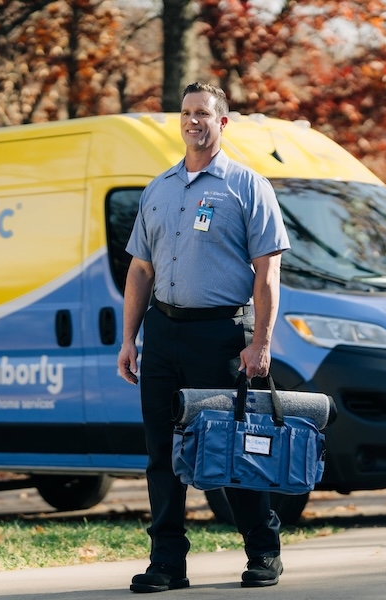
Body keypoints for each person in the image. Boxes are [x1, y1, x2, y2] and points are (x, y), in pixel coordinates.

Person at [117, 82, 291, 593]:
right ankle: (167, 564)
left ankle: (263, 551)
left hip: (221, 334)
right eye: (186, 113)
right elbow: (139, 271)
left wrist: (259, 342)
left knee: (231, 449)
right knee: (160, 455)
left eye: (203, 114)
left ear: (222, 123)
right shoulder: (159, 188)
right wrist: (130, 339)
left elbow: (267, 274)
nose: (193, 121)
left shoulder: (247, 186)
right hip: (163, 332)